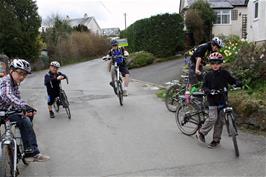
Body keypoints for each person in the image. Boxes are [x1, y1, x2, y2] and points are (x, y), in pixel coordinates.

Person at [0, 59, 50, 162]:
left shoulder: (15, 85)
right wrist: (24, 106)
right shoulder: (5, 80)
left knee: (26, 120)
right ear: (12, 70)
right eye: (20, 73)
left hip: (6, 112)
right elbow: (6, 95)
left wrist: (26, 108)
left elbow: (17, 99)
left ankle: (30, 152)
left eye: (25, 75)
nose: (22, 77)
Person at [197, 52, 241, 148]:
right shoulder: (208, 75)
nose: (215, 65)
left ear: (221, 63)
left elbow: (233, 80)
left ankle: (216, 140)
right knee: (213, 118)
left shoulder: (225, 73)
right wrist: (208, 91)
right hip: (212, 100)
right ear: (210, 64)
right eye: (213, 63)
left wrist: (238, 83)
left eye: (217, 63)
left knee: (220, 121)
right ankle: (201, 132)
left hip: (222, 99)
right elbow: (204, 87)